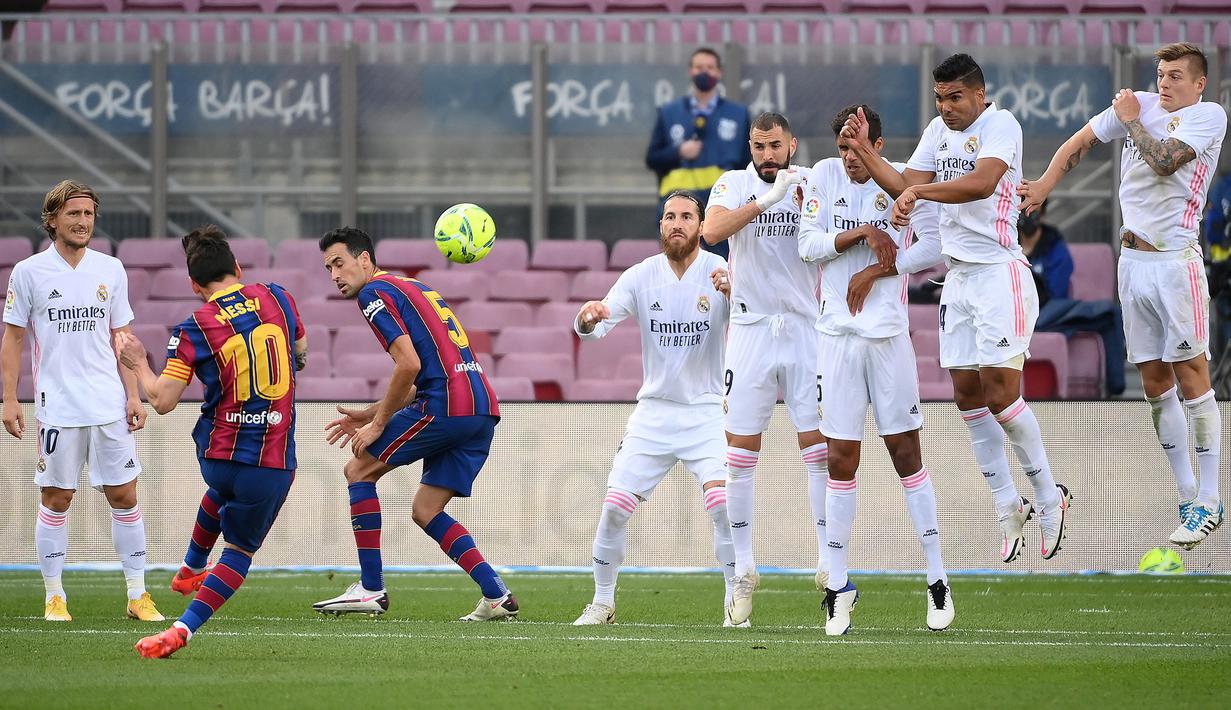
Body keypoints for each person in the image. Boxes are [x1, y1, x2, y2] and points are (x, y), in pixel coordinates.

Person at [842, 53, 1073, 565]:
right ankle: (1007, 505)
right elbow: (904, 186)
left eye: (955, 98)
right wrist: (864, 151)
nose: (946, 107)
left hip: (999, 274)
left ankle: (1049, 496)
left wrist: (918, 190)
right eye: (940, 98)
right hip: (959, 279)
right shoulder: (936, 131)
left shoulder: (1001, 125)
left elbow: (982, 183)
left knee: (1002, 395)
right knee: (968, 398)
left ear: (978, 94)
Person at [1019, 42, 1226, 548]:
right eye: (1161, 73)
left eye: (1176, 75)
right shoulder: (1142, 105)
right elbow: (1082, 139)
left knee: (1192, 376)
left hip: (1176, 263)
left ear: (1199, 83)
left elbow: (1161, 162)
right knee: (1156, 383)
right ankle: (1186, 497)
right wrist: (1045, 183)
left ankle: (1212, 499)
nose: (1165, 82)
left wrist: (1132, 118)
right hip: (1132, 263)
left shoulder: (1208, 117)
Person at [798, 104, 953, 636]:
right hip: (835, 341)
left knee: (905, 454)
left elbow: (934, 246)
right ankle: (839, 586)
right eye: (843, 144)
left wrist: (879, 268)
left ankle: (937, 580)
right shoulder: (821, 176)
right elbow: (808, 246)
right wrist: (864, 233)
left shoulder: (904, 184)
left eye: (859, 144)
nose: (849, 155)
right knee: (840, 457)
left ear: (879, 145)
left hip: (887, 339)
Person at [117, 226, 306, 659]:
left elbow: (162, 400)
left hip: (218, 455)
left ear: (195, 286)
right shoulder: (277, 296)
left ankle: (189, 569)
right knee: (238, 552)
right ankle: (182, 630)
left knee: (221, 492)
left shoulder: (195, 326)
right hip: (269, 463)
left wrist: (139, 363)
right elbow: (300, 351)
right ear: (238, 268)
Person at [312, 227, 513, 621]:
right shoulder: (412, 285)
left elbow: (410, 364)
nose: (334, 274)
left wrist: (378, 424)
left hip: (444, 405)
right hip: (480, 407)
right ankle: (496, 595)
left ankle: (371, 588)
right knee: (426, 509)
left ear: (364, 259)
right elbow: (427, 365)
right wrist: (372, 412)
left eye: (339, 263)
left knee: (358, 469)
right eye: (327, 268)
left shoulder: (373, 294)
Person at [572, 191, 736, 627]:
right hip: (655, 414)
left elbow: (752, 318)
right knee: (613, 508)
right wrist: (588, 317)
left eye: (686, 216)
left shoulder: (720, 271)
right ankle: (603, 602)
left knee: (723, 505)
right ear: (660, 226)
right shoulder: (641, 275)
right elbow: (599, 322)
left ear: (701, 225)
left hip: (706, 413)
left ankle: (734, 605)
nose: (677, 223)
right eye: (669, 217)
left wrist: (736, 293)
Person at [1, 180, 162, 623]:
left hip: (109, 404)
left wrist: (133, 395)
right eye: (73, 214)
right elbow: (13, 338)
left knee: (125, 495)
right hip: (58, 407)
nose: (82, 222)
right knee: (56, 498)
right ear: (52, 219)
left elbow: (122, 339)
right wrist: (10, 399)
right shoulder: (29, 272)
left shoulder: (111, 269)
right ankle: (55, 596)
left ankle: (137, 594)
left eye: (89, 214)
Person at [702, 111, 827, 626]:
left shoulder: (813, 181)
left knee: (819, 447)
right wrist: (764, 202)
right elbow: (710, 230)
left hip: (805, 329)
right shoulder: (733, 184)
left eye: (775, 145)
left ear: (792, 143)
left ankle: (828, 563)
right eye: (759, 146)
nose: (767, 155)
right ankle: (745, 571)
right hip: (750, 331)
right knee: (740, 454)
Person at [646, 47, 752, 260]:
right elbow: (652, 158)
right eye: (699, 67)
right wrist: (678, 151)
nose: (705, 72)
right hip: (678, 206)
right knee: (679, 266)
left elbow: (748, 163)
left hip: (721, 207)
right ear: (690, 71)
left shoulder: (738, 114)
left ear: (719, 72)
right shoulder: (669, 112)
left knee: (722, 271)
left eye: (710, 68)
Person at [1017, 202, 1127, 396]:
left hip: (1047, 309)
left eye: (1033, 209)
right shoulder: (1007, 242)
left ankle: (1115, 389)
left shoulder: (1054, 245)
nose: (1027, 215)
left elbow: (1057, 292)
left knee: (1110, 314)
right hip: (1014, 314)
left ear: (1043, 212)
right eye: (1023, 209)